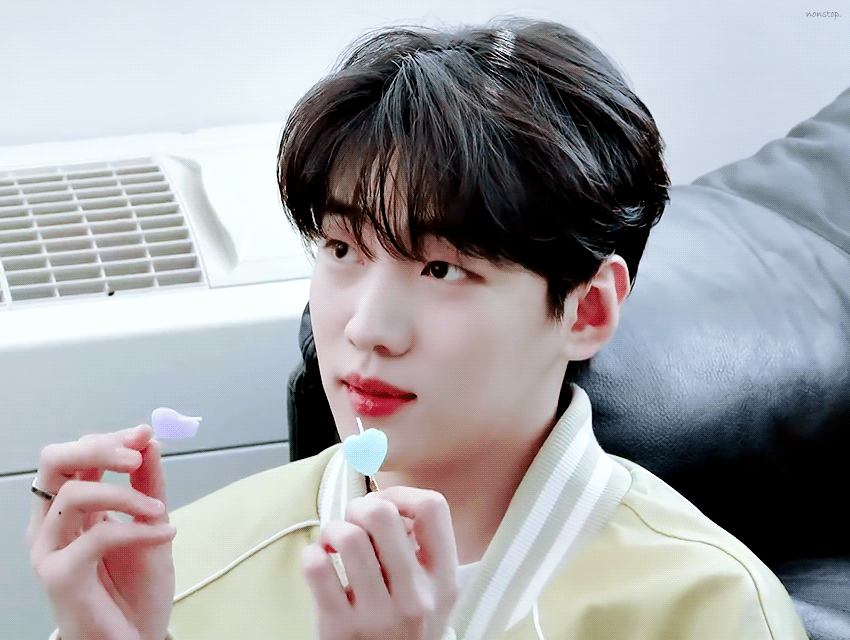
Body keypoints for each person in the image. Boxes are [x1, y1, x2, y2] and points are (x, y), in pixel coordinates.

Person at [27, 18, 809, 640]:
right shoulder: (187, 564)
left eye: (441, 269)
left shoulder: (713, 609)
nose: (368, 328)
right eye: (342, 249)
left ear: (588, 309)